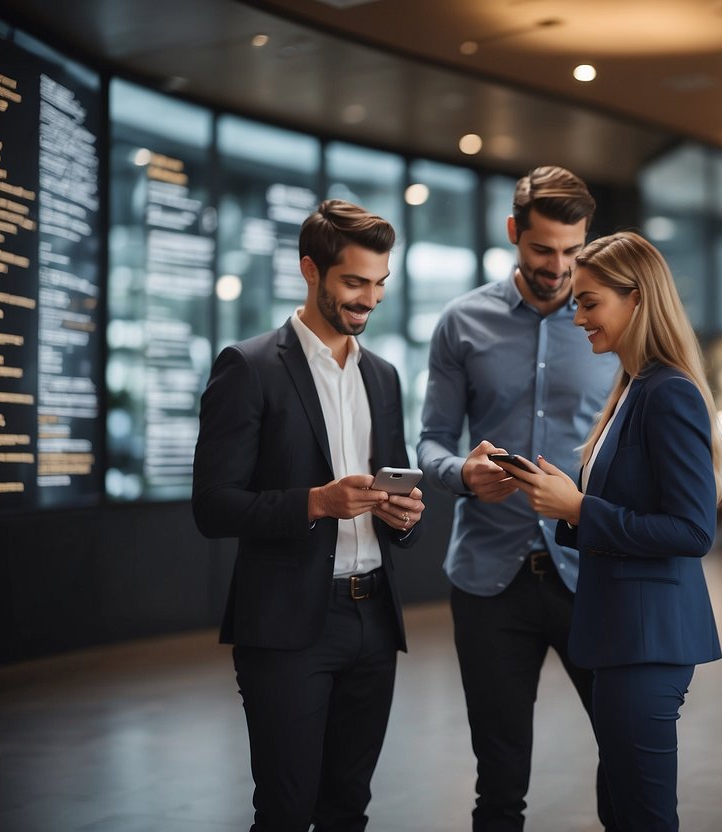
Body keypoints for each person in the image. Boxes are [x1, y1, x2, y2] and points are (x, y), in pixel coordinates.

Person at [192, 199, 425, 832]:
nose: (368, 300)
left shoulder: (384, 376)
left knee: (349, 808)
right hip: (289, 626)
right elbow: (212, 506)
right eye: (354, 283)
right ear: (311, 271)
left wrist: (404, 515)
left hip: (374, 618)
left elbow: (396, 491)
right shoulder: (249, 367)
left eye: (379, 284)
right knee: (287, 813)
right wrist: (316, 502)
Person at [493, 231, 722, 831]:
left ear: (638, 300)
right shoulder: (632, 389)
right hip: (627, 635)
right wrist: (564, 498)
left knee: (643, 817)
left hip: (647, 640)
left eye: (590, 302)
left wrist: (577, 510)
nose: (577, 318)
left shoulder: (667, 393)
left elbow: (693, 529)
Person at [418, 166, 620, 831]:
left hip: (591, 574)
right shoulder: (460, 323)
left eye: (571, 250)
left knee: (624, 753)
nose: (558, 267)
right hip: (488, 582)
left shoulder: (609, 326)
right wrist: (459, 474)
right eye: (542, 250)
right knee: (498, 778)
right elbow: (431, 442)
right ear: (514, 234)